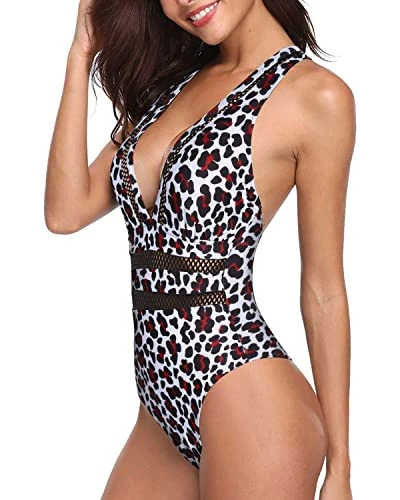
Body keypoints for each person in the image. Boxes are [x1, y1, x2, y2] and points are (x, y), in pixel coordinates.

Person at [44, 0, 355, 498]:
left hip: (249, 399)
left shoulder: (315, 96)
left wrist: (340, 466)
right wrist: (80, 55)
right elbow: (65, 211)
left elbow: (323, 289)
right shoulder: (171, 86)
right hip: (158, 408)